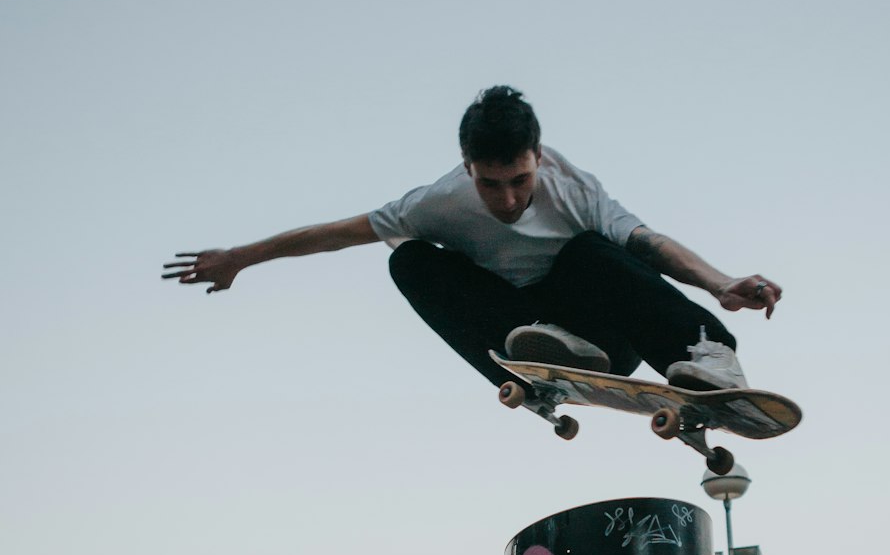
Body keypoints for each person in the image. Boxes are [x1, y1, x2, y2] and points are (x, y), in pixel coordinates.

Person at [163, 87, 782, 400]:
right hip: (531, 332)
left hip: (609, 337)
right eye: (491, 185)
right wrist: (242, 257)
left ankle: (707, 357)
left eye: (520, 181)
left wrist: (719, 282)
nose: (508, 200)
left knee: (594, 252)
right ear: (467, 168)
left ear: (538, 158)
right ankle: (534, 360)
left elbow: (650, 245)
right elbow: (337, 234)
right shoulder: (435, 203)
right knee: (406, 258)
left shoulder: (575, 189)